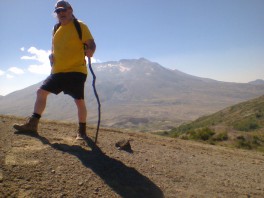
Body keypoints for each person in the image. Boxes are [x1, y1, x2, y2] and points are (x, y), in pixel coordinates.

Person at [13, 0, 96, 140]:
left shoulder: (80, 25)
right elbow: (54, 47)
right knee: (41, 92)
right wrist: (52, 55)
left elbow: (91, 43)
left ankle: (81, 132)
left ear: (70, 10)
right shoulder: (56, 28)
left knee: (79, 101)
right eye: (58, 11)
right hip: (57, 70)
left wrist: (91, 50)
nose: (61, 13)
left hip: (76, 70)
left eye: (63, 10)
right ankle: (32, 125)